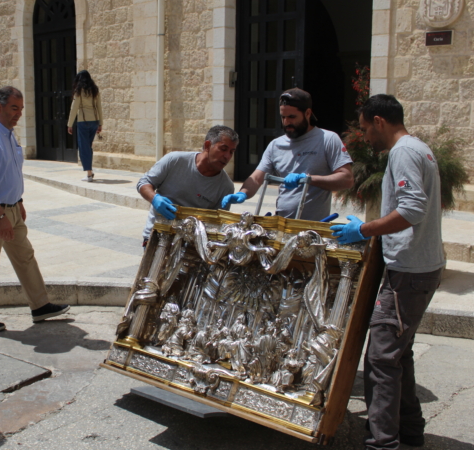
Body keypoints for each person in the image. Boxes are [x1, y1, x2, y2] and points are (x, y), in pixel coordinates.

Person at [330, 94, 444, 450]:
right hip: (416, 267)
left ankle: (382, 443)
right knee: (398, 353)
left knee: (381, 357)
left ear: (379, 121)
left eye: (365, 129)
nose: (365, 138)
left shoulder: (404, 152)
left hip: (409, 271)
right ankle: (410, 432)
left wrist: (364, 231)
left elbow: (412, 209)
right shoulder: (418, 148)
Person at [0, 86, 70, 333]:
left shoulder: (9, 134)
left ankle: (40, 305)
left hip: (11, 209)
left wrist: (18, 201)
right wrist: (1, 215)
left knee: (25, 257)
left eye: (21, 109)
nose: (19, 114)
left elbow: (10, 173)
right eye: (14, 108)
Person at [222, 88, 354, 221]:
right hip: (281, 224)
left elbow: (347, 179)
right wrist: (242, 193)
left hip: (313, 228)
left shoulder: (328, 139)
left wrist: (308, 179)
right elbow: (257, 178)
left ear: (307, 113)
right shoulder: (275, 145)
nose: (286, 123)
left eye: (292, 117)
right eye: (283, 117)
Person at [137, 125, 237, 246]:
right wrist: (154, 199)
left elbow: (217, 226)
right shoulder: (174, 160)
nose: (227, 156)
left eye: (231, 152)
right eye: (223, 149)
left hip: (191, 246)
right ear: (207, 146)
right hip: (157, 238)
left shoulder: (226, 187)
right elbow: (143, 183)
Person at [67, 70, 103, 182]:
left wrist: (69, 124)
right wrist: (100, 123)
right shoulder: (95, 90)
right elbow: (99, 107)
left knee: (84, 147)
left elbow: (74, 108)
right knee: (88, 146)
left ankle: (88, 174)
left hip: (83, 121)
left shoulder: (79, 91)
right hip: (94, 121)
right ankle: (90, 172)